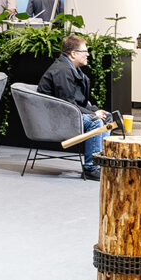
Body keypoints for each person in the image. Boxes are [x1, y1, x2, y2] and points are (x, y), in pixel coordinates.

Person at [36, 34, 106, 180]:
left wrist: (94, 110)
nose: (88, 54)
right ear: (73, 54)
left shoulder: (71, 68)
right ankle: (91, 168)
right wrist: (94, 115)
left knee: (107, 119)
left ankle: (101, 164)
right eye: (84, 51)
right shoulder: (62, 71)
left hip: (66, 113)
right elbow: (68, 104)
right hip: (55, 119)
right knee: (95, 122)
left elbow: (77, 101)